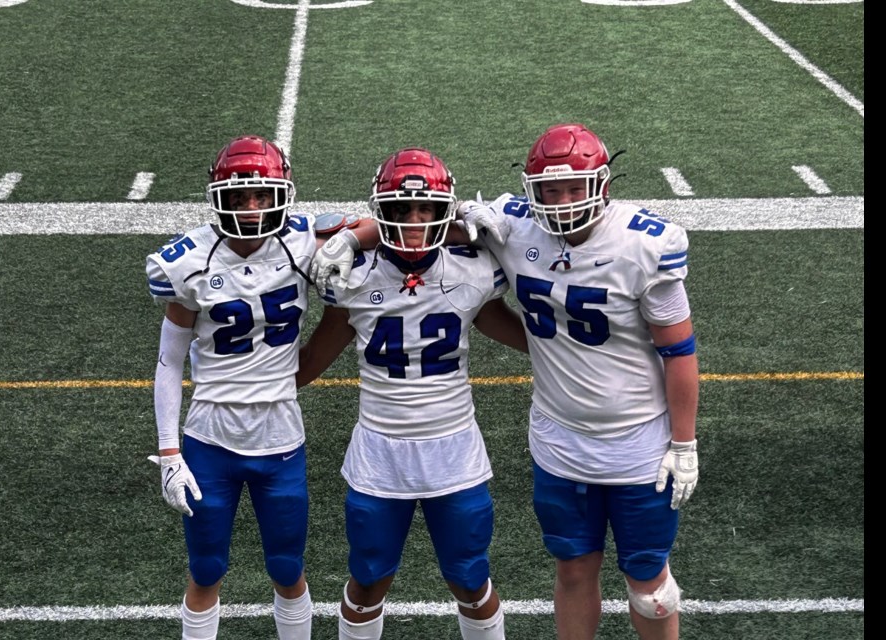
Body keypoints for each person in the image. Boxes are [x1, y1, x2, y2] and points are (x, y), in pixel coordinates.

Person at [312, 124, 700, 640]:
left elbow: (680, 350)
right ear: (530, 190)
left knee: (651, 592)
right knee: (573, 569)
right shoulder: (516, 225)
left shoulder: (647, 244)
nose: (561, 203)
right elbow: (420, 225)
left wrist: (684, 441)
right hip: (558, 438)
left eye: (574, 189)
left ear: (603, 185)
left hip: (637, 439)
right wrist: (352, 234)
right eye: (550, 191)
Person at [144, 134, 376, 640]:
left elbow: (383, 223)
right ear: (217, 198)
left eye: (261, 195)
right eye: (239, 196)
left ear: (282, 194)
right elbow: (169, 361)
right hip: (209, 439)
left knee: (287, 568)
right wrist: (168, 452)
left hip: (280, 438)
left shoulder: (300, 239)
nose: (251, 208)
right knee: (205, 569)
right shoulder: (187, 260)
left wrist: (352, 240)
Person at [297, 147, 527, 640]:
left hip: (454, 450)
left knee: (470, 577)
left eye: (427, 210)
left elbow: (525, 329)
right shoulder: (352, 276)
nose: (415, 221)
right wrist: (254, 385)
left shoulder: (474, 268)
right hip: (380, 451)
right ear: (384, 212)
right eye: (402, 210)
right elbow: (311, 359)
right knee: (367, 579)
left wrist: (578, 349)